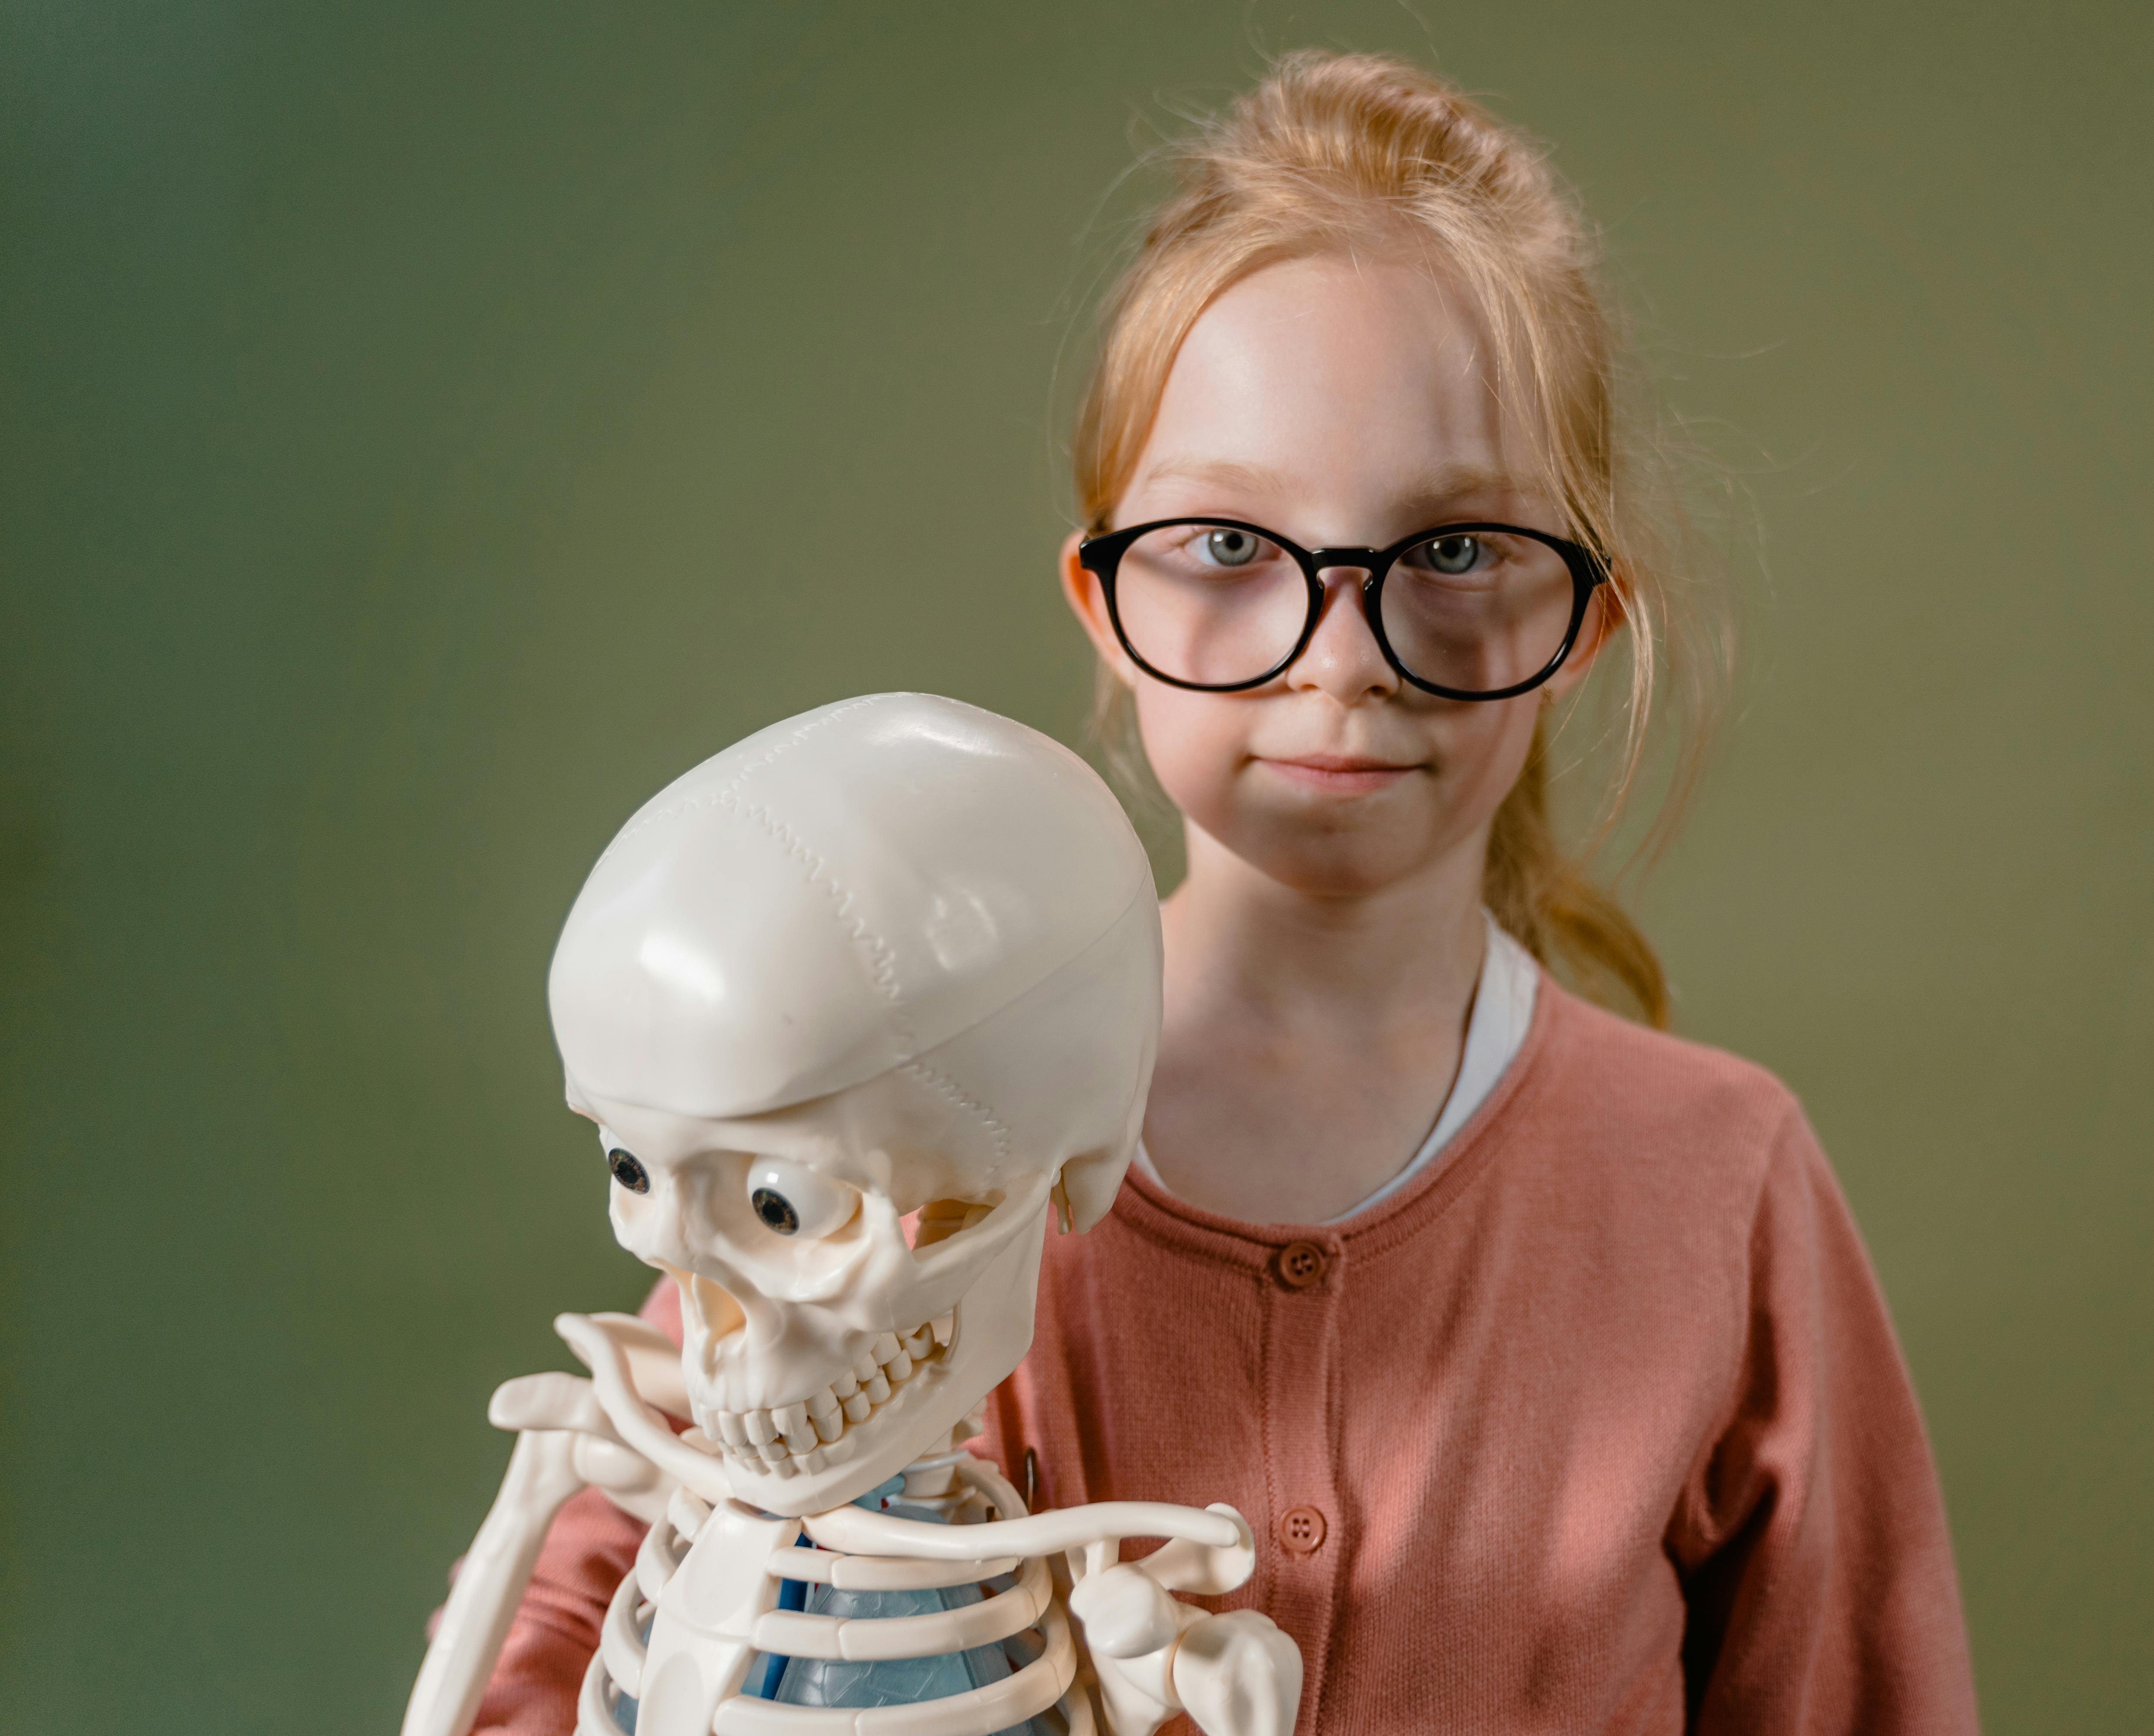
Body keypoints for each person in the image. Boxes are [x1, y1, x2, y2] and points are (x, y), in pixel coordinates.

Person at [458, 51, 1977, 1735]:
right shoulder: (859, 1120)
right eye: (1232, 549)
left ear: (1583, 622)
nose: (1338, 662)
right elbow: (547, 1644)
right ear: (1103, 602)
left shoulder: (1723, 1184)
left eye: (1459, 549)